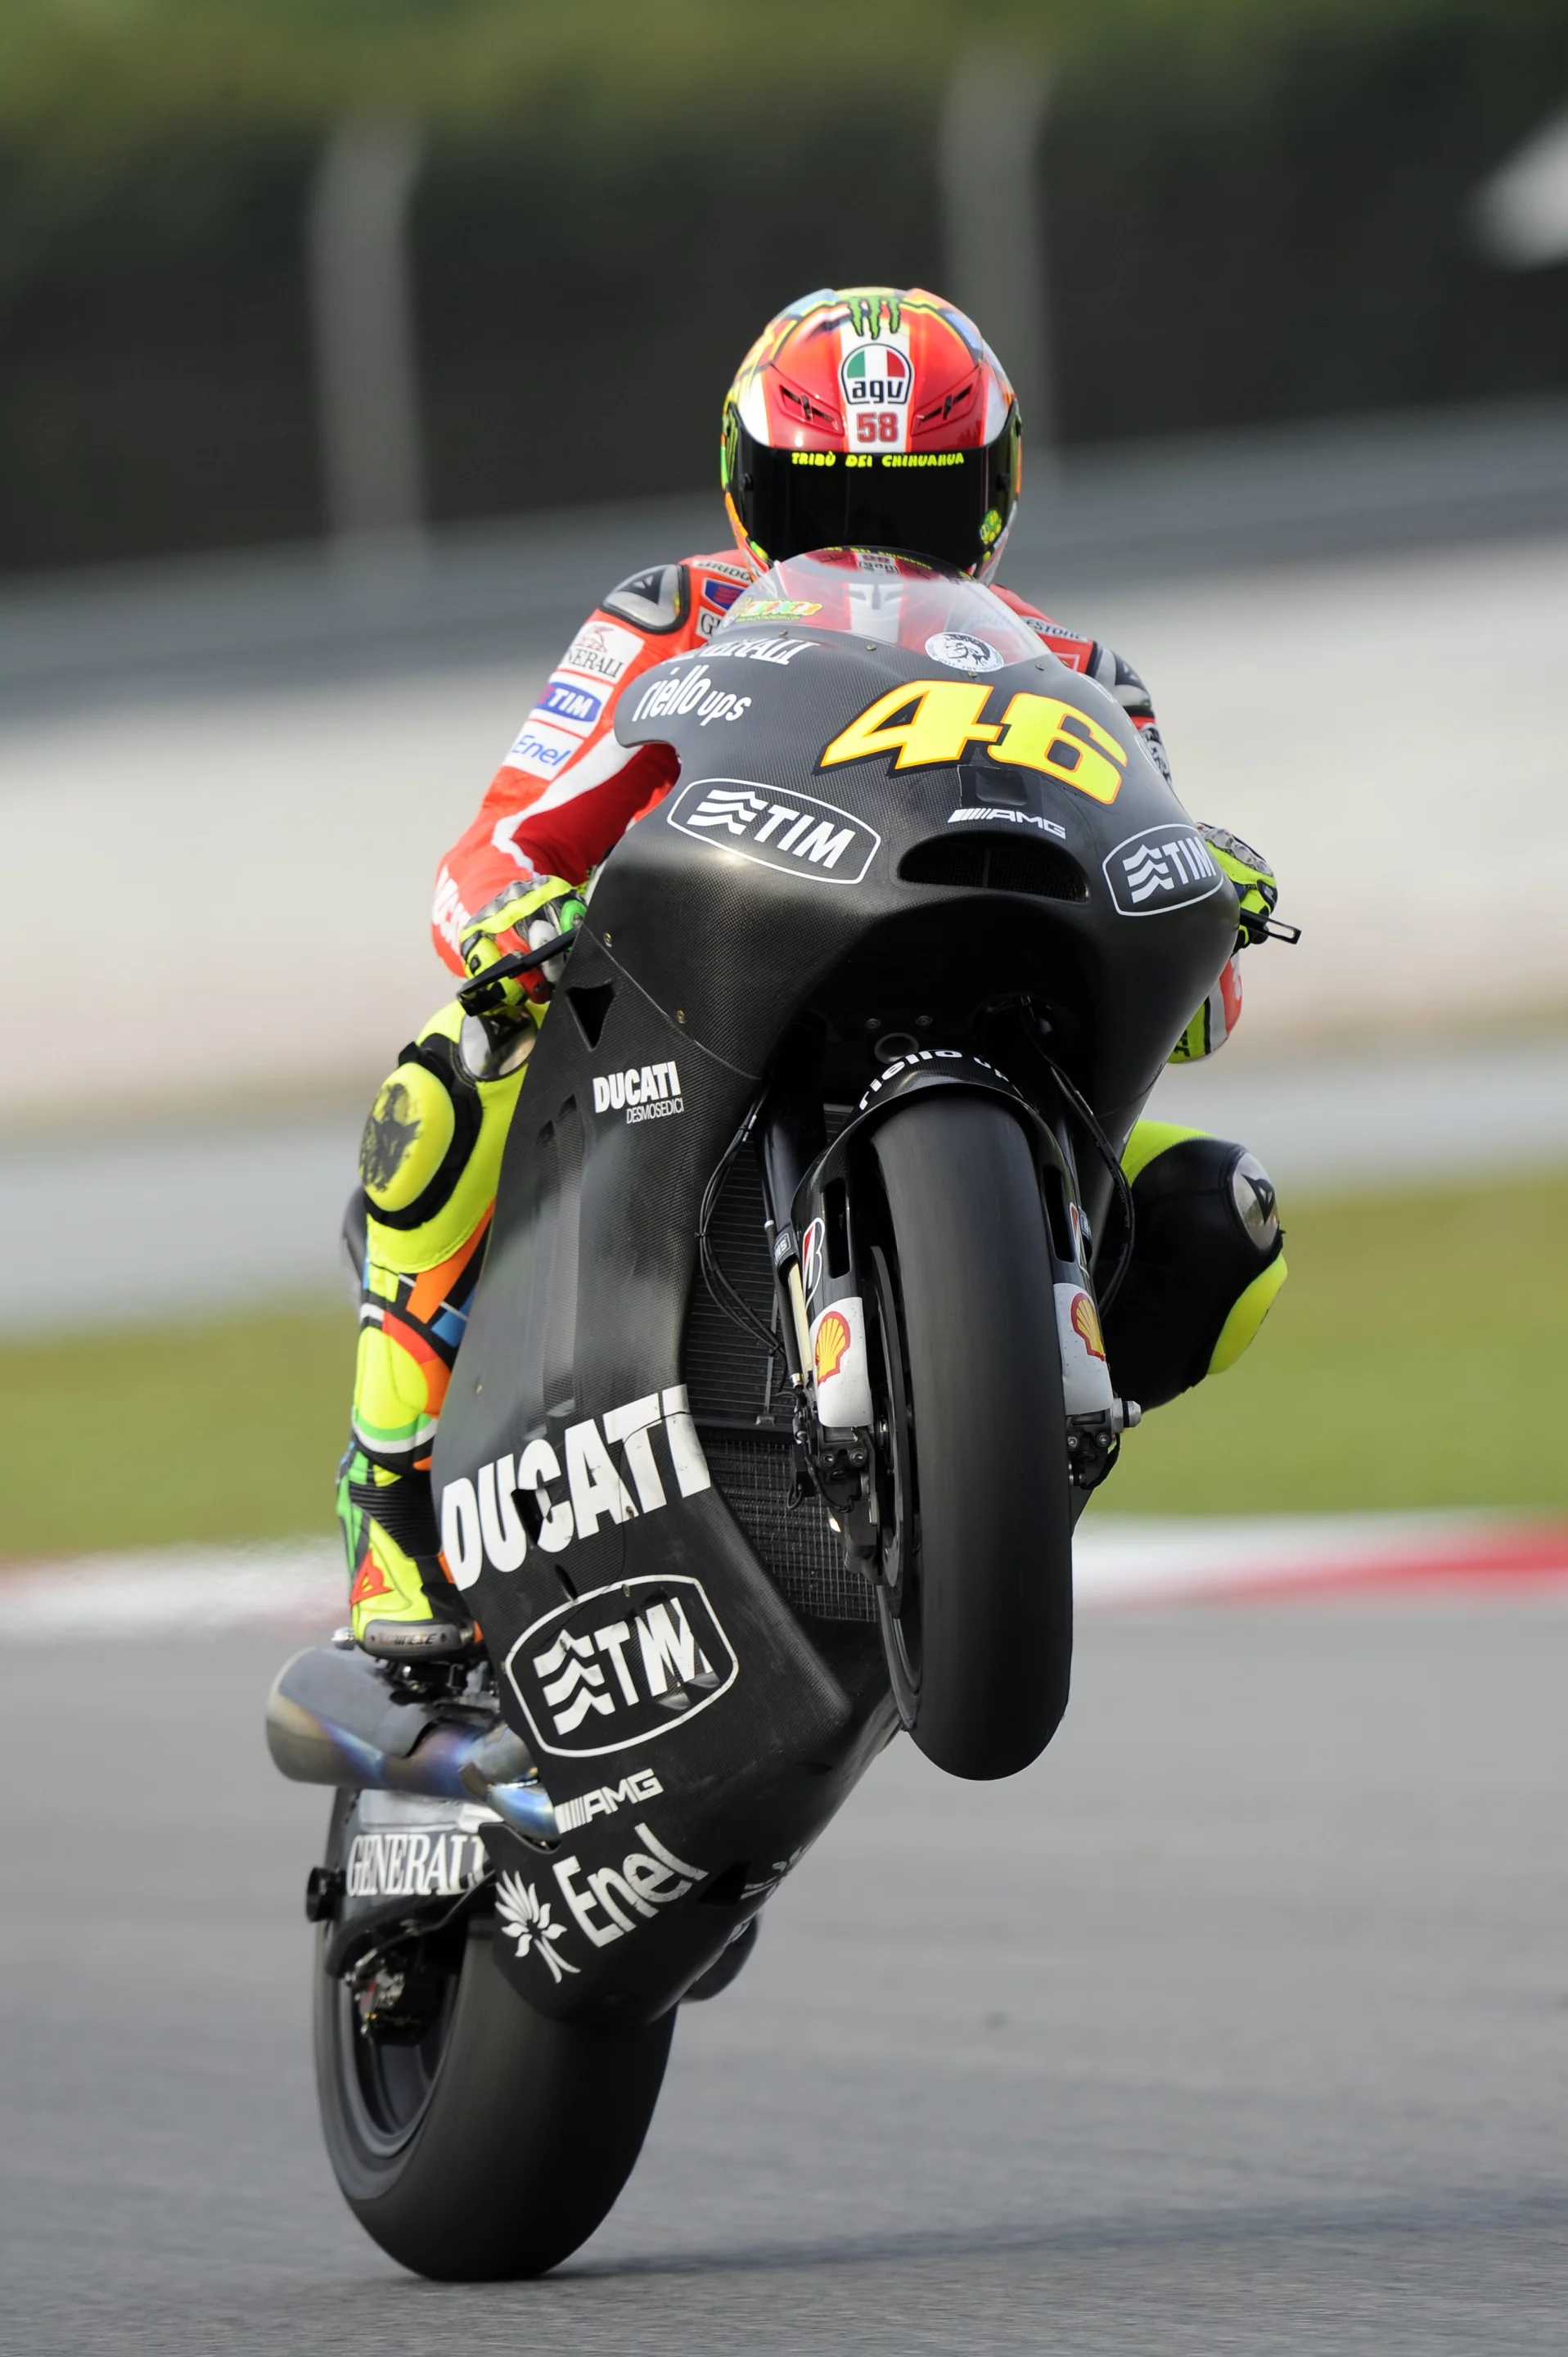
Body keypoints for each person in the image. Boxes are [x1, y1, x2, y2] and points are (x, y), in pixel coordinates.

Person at [339, 286, 1288, 1643]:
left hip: (990, 1027)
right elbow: (502, 841)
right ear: (752, 496)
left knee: (1224, 1215)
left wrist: (1204, 888)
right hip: (719, 1009)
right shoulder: (666, 613)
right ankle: (393, 1504)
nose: (870, 546)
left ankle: (994, 1470)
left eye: (909, 505)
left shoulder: (1085, 673)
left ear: (985, 494)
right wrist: (513, 920)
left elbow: (1199, 1016)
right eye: (823, 503)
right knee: (451, 1072)